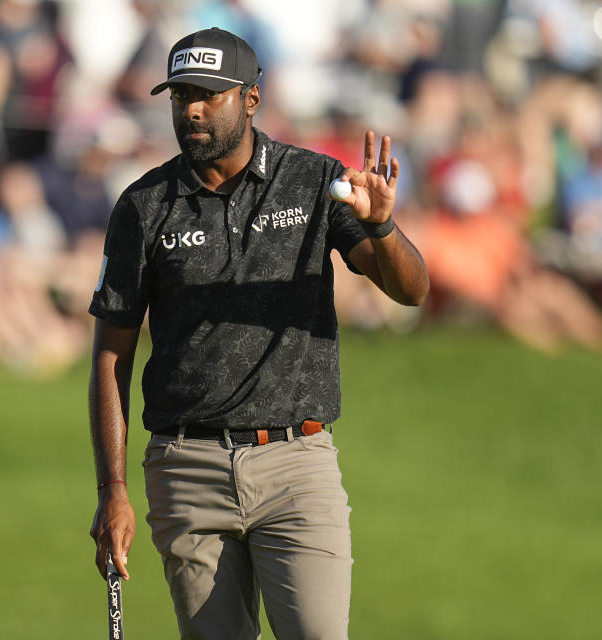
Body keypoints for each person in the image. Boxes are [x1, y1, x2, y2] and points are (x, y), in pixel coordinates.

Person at [87, 27, 428, 639]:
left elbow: (411, 290)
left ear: (250, 98)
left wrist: (381, 229)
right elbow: (110, 357)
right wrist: (112, 490)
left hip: (298, 467)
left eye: (208, 94)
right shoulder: (144, 206)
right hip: (185, 468)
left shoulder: (314, 182)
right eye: (180, 95)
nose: (190, 108)